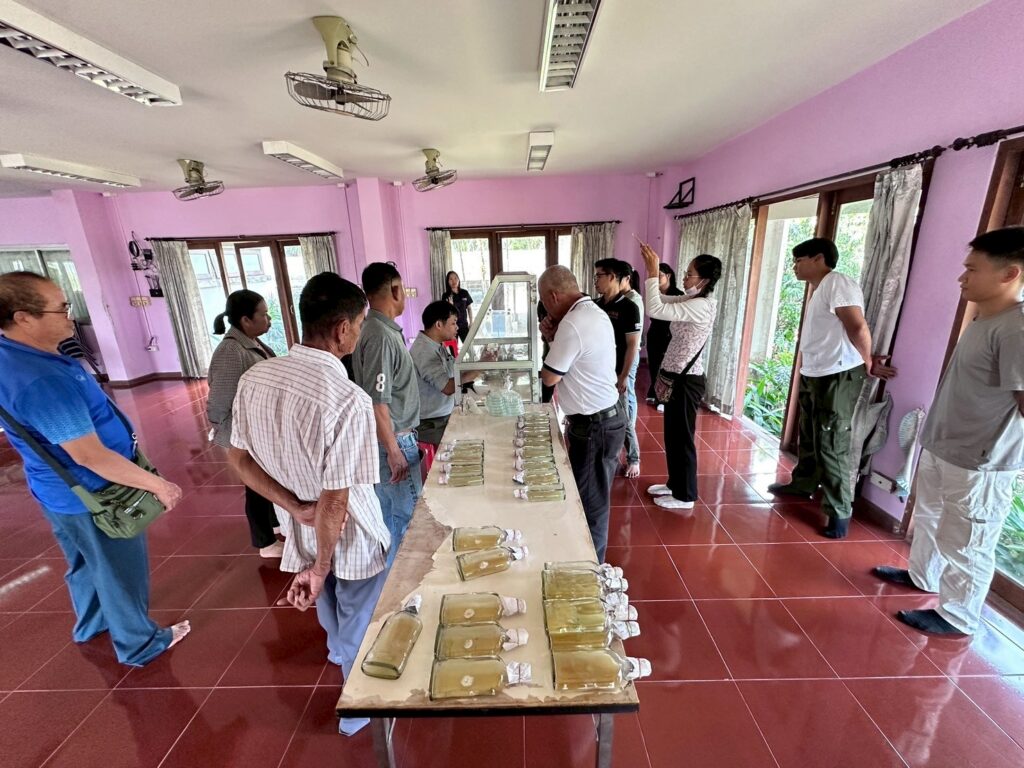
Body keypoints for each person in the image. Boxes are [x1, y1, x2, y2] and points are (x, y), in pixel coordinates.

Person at [227, 272, 391, 736]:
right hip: (348, 531)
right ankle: (358, 708)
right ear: (342, 329)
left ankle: (337, 650)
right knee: (355, 606)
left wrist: (295, 507)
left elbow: (238, 459)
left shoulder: (256, 378)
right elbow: (336, 500)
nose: (360, 333)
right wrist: (320, 565)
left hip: (300, 522)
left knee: (326, 596)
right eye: (360, 323)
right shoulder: (347, 399)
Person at [0, 272, 190, 665]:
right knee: (119, 569)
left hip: (58, 490)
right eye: (61, 309)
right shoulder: (41, 381)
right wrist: (157, 484)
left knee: (86, 561)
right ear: (23, 318)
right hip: (94, 492)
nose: (70, 316)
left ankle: (91, 624)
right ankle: (139, 644)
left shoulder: (14, 356)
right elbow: (90, 455)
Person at [873, 227, 1024, 636]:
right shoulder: (984, 317)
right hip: (944, 445)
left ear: (1009, 274)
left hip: (980, 460)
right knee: (929, 517)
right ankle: (922, 576)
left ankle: (958, 616)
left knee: (968, 540)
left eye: (972, 270)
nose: (962, 277)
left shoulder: (1017, 327)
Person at [767, 237, 897, 539]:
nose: (795, 267)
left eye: (799, 260)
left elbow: (857, 326)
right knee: (810, 435)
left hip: (837, 375)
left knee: (832, 440)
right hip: (815, 373)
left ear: (819, 258)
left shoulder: (838, 282)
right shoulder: (820, 288)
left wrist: (867, 361)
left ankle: (839, 512)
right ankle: (803, 484)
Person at [539, 266, 625, 562]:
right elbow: (575, 361)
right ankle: (586, 560)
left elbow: (550, 377)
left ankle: (589, 570)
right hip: (604, 419)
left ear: (553, 296)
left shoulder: (573, 322)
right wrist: (553, 338)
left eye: (545, 302)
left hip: (595, 426)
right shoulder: (592, 312)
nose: (546, 310)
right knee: (591, 497)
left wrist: (552, 338)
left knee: (591, 506)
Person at [639, 246, 722, 510]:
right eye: (685, 273)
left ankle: (686, 495)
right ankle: (675, 483)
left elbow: (654, 309)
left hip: (687, 382)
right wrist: (654, 278)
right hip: (676, 377)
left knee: (682, 437)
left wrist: (653, 271)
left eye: (689, 274)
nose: (684, 278)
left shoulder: (701, 306)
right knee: (672, 435)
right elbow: (661, 301)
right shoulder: (690, 300)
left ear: (704, 280)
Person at [352, 262, 422, 566]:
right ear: (395, 290)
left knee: (394, 518)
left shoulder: (380, 330)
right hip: (394, 440)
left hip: (391, 438)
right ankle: (403, 583)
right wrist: (394, 450)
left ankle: (392, 578)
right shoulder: (380, 335)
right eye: (402, 289)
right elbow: (377, 402)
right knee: (408, 520)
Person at [206, 290, 281, 558]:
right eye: (263, 315)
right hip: (243, 433)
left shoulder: (251, 343)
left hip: (257, 429)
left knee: (266, 479)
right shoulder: (231, 351)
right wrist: (229, 435)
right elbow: (219, 402)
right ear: (246, 320)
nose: (269, 319)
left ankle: (274, 524)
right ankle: (265, 543)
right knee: (255, 485)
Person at [593, 258, 643, 479]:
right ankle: (602, 453)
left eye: (599, 276)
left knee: (622, 416)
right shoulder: (595, 305)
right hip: (598, 370)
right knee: (598, 413)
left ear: (612, 277)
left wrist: (623, 376)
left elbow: (633, 345)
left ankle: (633, 458)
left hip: (616, 371)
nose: (595, 280)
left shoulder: (629, 307)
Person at [411, 300, 477, 448]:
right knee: (469, 442)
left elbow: (455, 370)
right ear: (439, 325)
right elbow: (447, 387)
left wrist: (477, 366)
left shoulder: (437, 345)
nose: (457, 327)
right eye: (453, 323)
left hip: (442, 416)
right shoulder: (424, 351)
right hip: (431, 424)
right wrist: (478, 369)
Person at [645, 263, 683, 405]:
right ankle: (655, 392)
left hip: (670, 336)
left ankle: (664, 398)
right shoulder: (655, 295)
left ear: (668, 276)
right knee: (654, 365)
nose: (656, 278)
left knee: (666, 368)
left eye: (659, 275)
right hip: (655, 333)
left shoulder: (678, 295)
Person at [442, 270, 474, 342]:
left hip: (464, 325)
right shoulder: (446, 295)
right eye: (451, 279)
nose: (454, 281)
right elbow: (444, 313)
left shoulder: (464, 293)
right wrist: (450, 306)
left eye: (455, 278)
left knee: (469, 346)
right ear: (448, 282)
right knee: (453, 348)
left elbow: (469, 308)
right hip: (452, 327)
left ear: (459, 279)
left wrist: (471, 322)